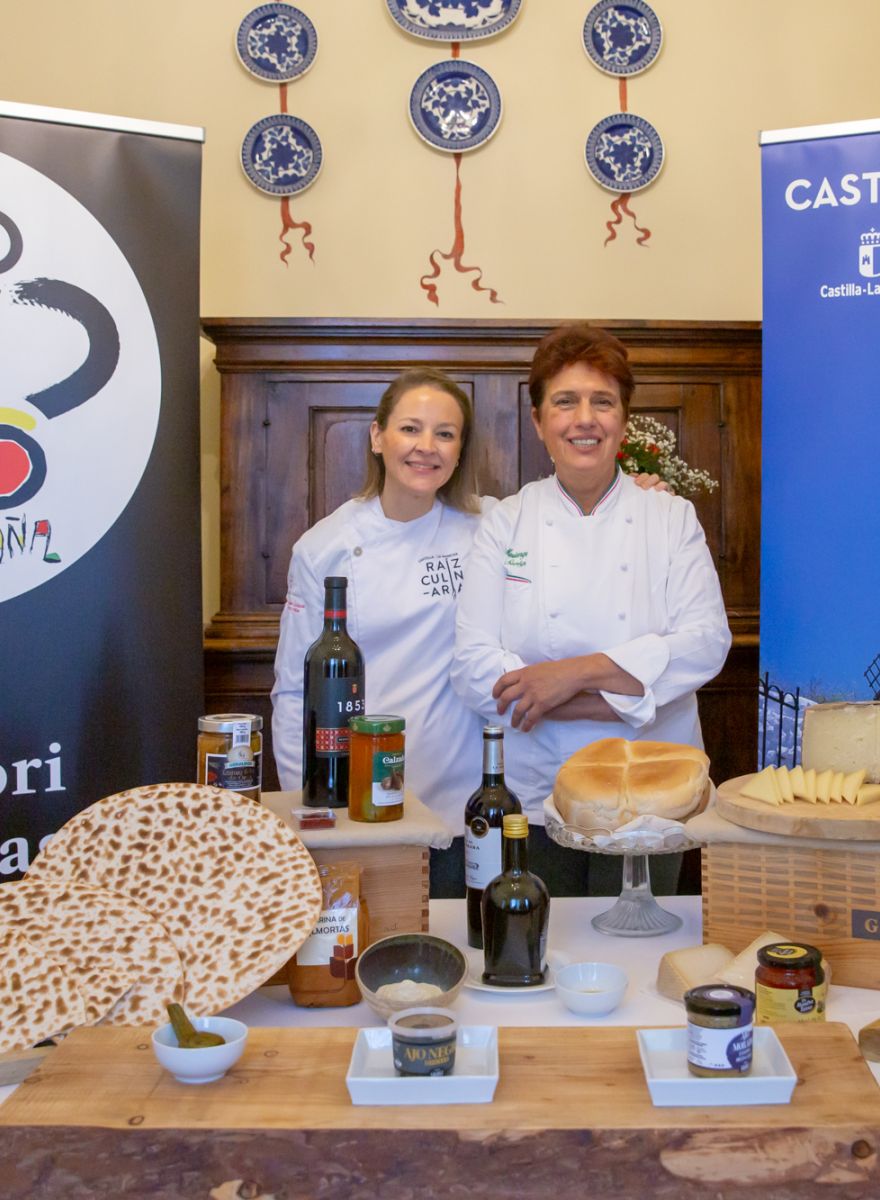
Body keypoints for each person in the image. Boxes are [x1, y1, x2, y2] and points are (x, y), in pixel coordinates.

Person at [450, 323, 732, 893]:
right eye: (565, 402)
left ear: (623, 420)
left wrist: (567, 676)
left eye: (602, 402)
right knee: (539, 936)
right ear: (538, 421)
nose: (585, 419)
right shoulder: (506, 523)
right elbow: (473, 667)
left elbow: (705, 644)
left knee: (641, 932)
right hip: (536, 787)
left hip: (654, 793)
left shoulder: (670, 518)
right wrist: (630, 699)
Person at [271, 368, 487, 850]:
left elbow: (559, 516)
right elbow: (294, 693)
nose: (426, 446)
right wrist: (311, 812)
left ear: (459, 451)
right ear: (377, 437)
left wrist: (641, 490)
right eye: (410, 428)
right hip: (360, 803)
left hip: (462, 797)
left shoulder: (487, 526)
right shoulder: (324, 547)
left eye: (445, 434)